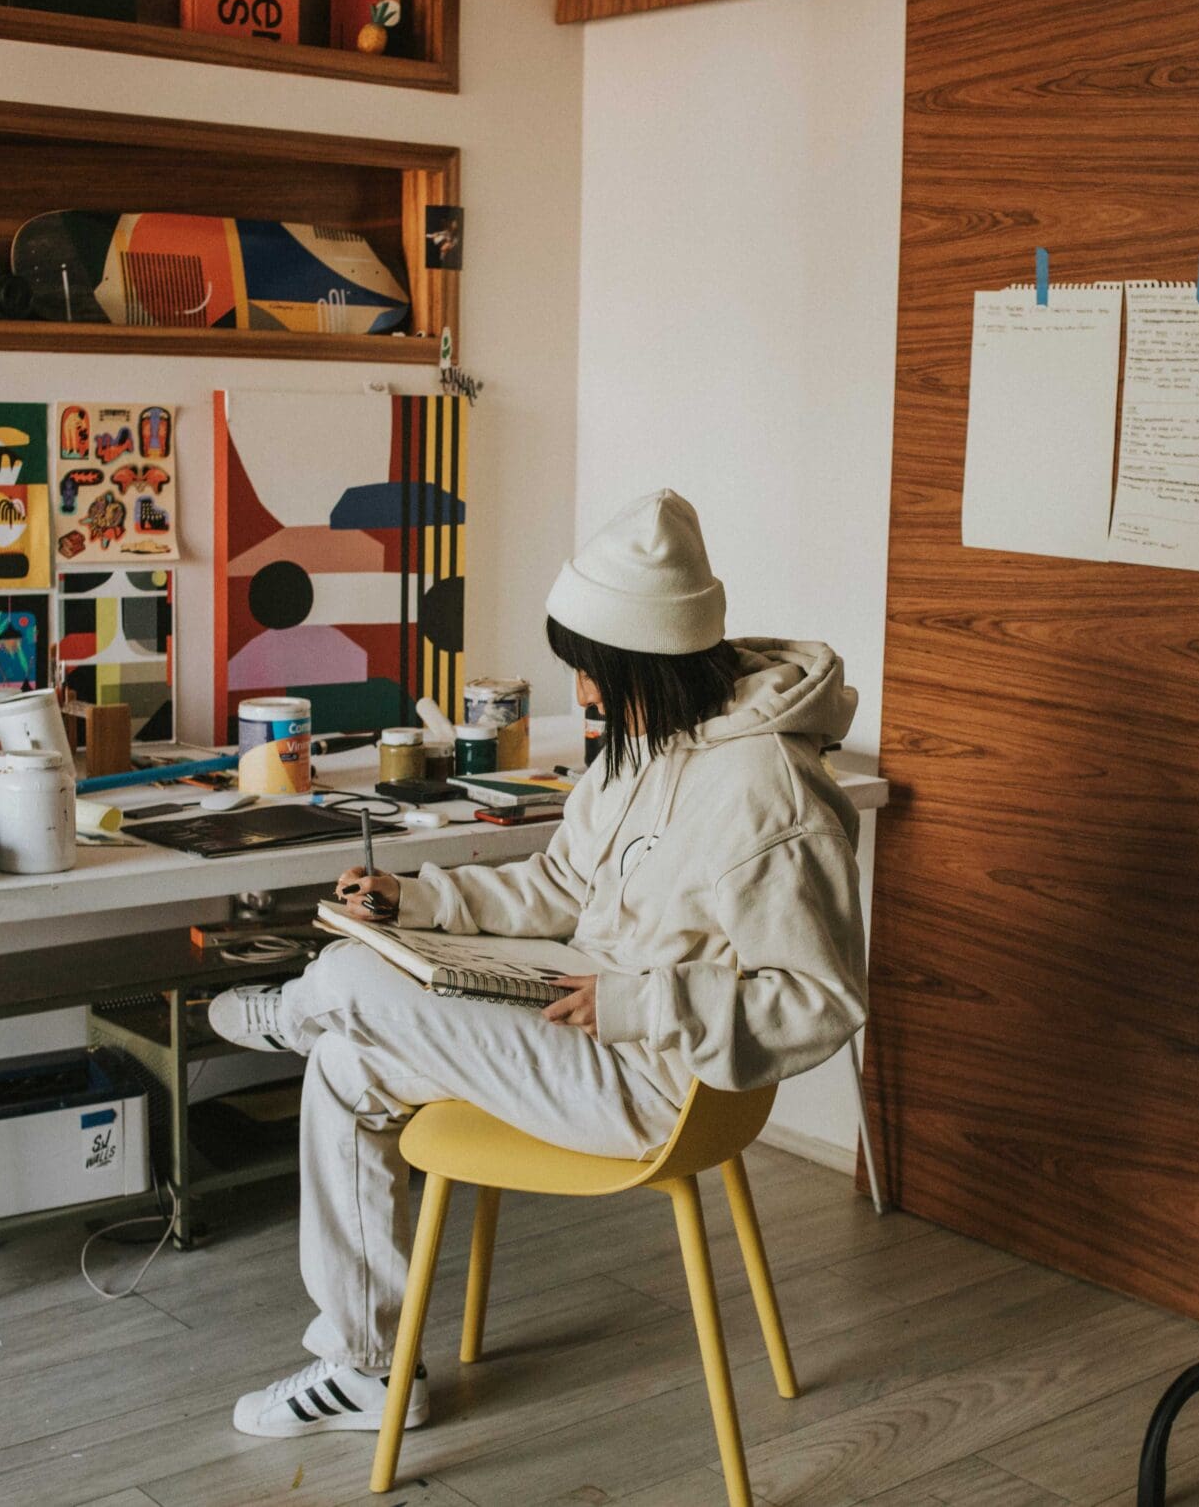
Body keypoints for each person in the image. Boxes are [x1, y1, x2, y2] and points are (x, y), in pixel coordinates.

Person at [211, 489, 869, 1439]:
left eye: (595, 674)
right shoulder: (649, 744)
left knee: (352, 989)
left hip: (647, 1082)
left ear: (651, 660)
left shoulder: (769, 795)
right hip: (577, 1006)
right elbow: (564, 882)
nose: (585, 696)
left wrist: (641, 1001)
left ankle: (303, 1002)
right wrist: (422, 901)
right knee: (347, 1057)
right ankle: (363, 1365)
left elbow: (822, 1000)